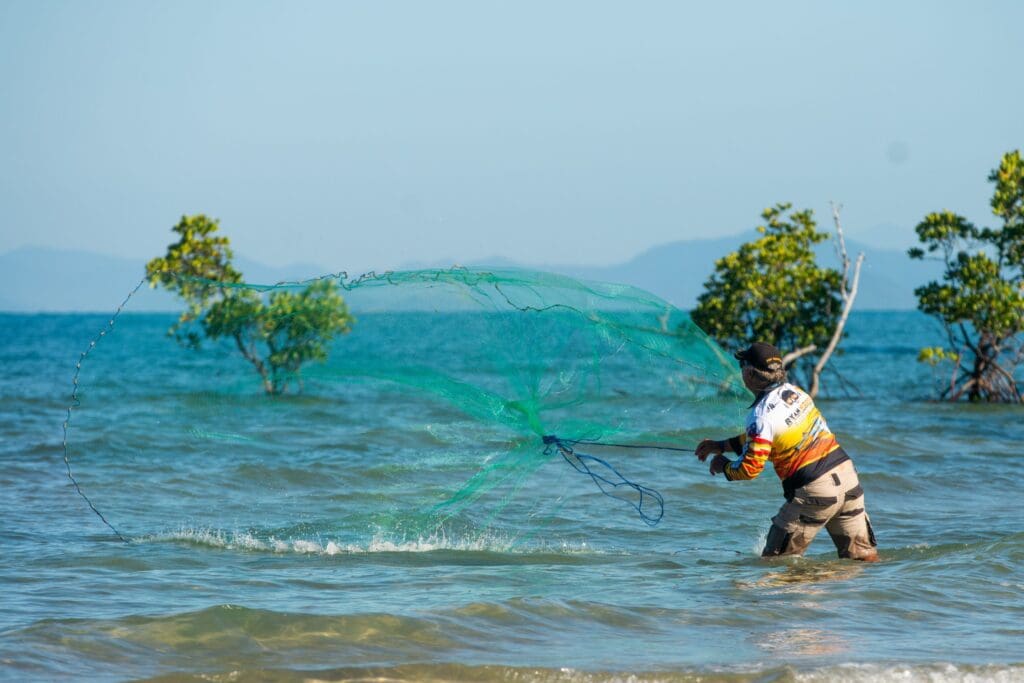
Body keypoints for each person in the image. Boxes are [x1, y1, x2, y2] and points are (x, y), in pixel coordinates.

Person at [695, 342, 879, 561]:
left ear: (750, 373)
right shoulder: (795, 392)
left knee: (774, 565)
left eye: (742, 365)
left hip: (815, 490)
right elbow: (771, 437)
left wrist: (724, 466)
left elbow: (750, 469)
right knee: (863, 560)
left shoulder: (760, 416)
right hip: (848, 479)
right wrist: (722, 445)